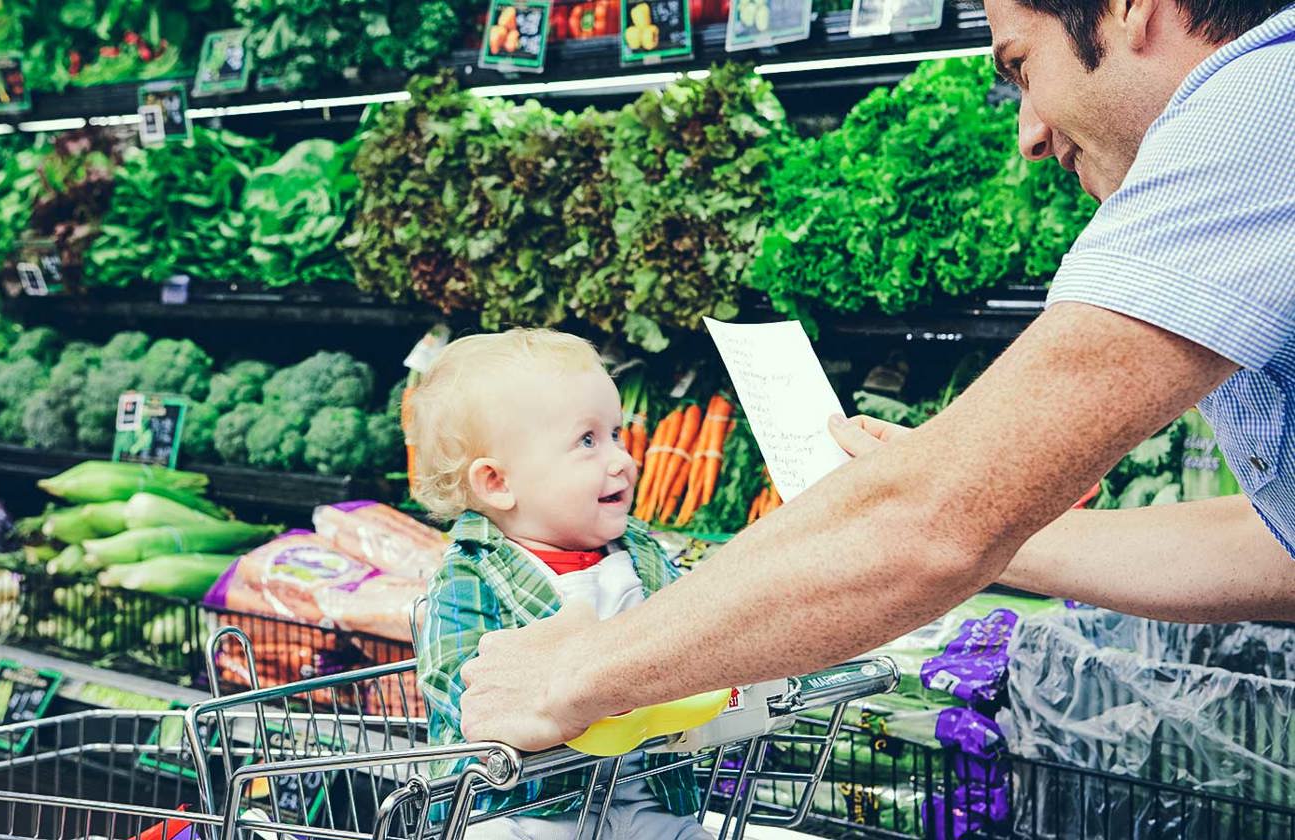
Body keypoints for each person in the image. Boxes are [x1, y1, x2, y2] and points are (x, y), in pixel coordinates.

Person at [455, 0, 1295, 753]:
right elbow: (1277, 544)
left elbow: (927, 526)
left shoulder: (1259, 111)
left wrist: (580, 671)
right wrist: (1001, 520)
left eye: (1021, 67)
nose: (1029, 132)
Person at [411, 329, 714, 839]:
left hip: (647, 793)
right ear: (498, 483)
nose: (621, 459)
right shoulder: (469, 575)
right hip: (523, 806)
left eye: (616, 434)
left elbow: (693, 623)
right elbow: (457, 686)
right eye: (587, 441)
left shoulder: (639, 553)